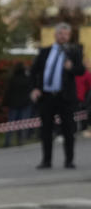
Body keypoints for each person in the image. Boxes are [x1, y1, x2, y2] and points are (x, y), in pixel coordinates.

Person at [31, 23, 85, 169]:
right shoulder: (45, 51)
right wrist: (35, 88)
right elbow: (34, 71)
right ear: (55, 35)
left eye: (66, 34)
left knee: (68, 130)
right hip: (47, 96)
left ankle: (69, 160)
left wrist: (71, 67)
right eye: (60, 33)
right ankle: (46, 160)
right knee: (46, 130)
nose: (63, 36)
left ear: (69, 36)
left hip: (65, 97)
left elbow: (81, 70)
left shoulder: (74, 51)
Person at [3, 62, 33, 147]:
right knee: (23, 123)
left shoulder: (12, 79)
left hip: (14, 104)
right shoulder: (27, 79)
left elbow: (8, 92)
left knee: (11, 123)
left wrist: (5, 102)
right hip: (25, 104)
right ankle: (21, 140)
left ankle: (8, 141)